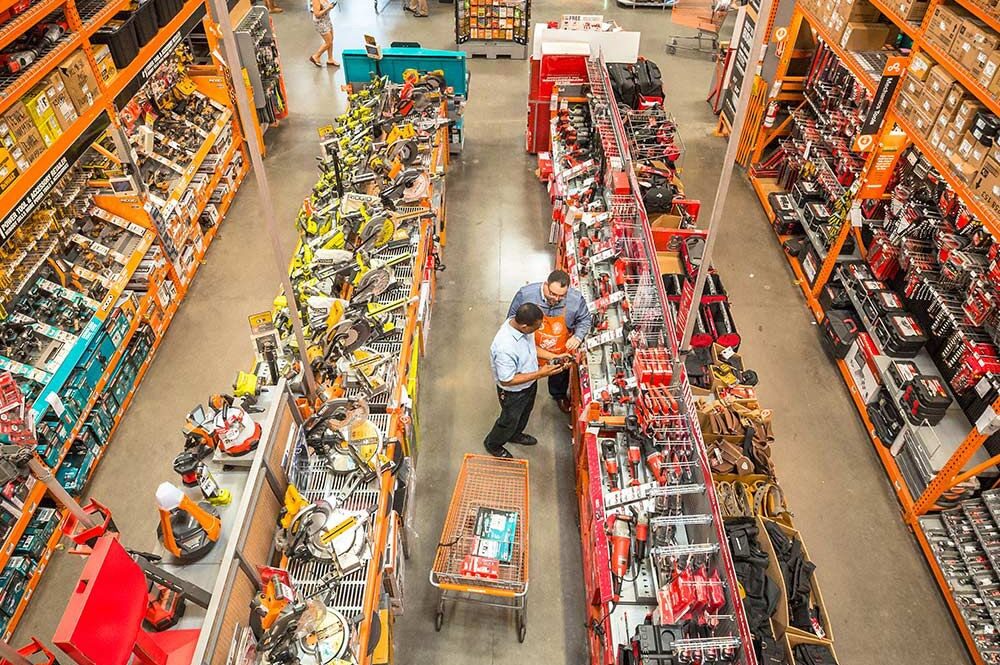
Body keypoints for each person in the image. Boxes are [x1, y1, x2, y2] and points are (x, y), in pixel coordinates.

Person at [484, 303, 570, 458]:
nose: (538, 329)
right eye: (536, 327)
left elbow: (531, 348)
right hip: (513, 392)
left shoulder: (521, 327)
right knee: (509, 420)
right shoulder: (505, 347)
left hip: (529, 384)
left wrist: (555, 357)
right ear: (524, 326)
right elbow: (507, 380)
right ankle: (493, 444)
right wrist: (540, 373)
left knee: (524, 413)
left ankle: (515, 434)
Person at [506, 270, 592, 414]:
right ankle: (523, 397)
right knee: (525, 380)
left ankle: (558, 394)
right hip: (530, 349)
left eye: (561, 296)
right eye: (552, 294)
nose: (556, 299)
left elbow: (585, 319)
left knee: (558, 376)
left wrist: (577, 336)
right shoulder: (526, 295)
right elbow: (512, 320)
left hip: (558, 351)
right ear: (545, 285)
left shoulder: (575, 300)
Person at [309, 0, 338, 67]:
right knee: (328, 42)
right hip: (320, 22)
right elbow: (317, 14)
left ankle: (330, 59)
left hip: (326, 19)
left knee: (331, 39)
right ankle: (316, 56)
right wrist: (328, 8)